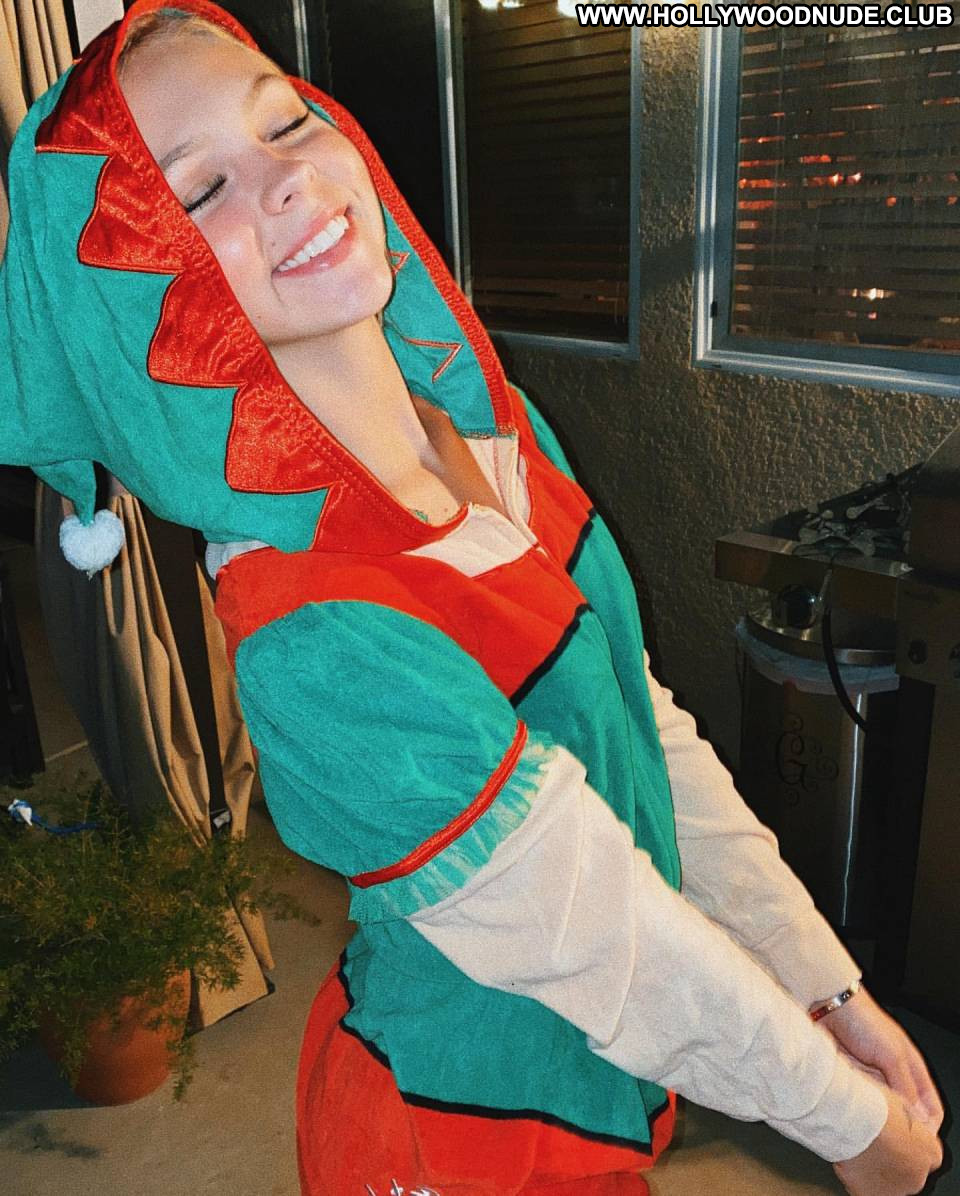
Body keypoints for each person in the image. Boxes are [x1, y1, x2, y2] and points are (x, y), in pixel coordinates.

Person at [0, 2, 945, 1193]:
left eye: (285, 121)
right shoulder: (316, 633)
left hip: (602, 1081)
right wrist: (848, 1125)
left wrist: (825, 985)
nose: (287, 178)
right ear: (146, 302)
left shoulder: (495, 435)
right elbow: (602, 930)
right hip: (464, 1138)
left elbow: (634, 721)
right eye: (202, 191)